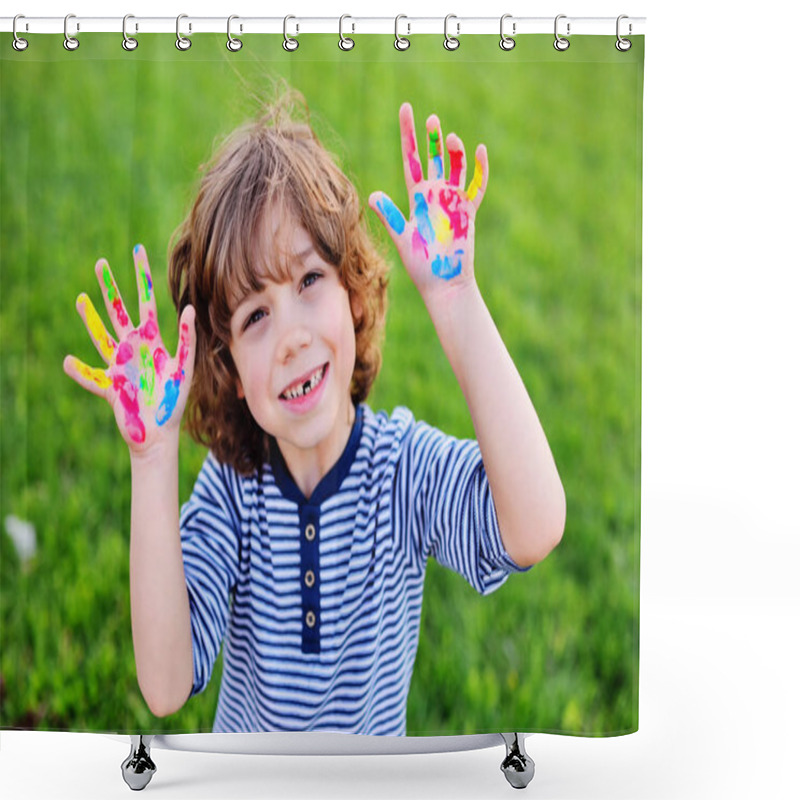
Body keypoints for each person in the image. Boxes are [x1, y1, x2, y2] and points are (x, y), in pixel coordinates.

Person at [63, 95, 565, 735]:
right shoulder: (231, 494)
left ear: (353, 292)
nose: (292, 337)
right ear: (233, 373)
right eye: (256, 316)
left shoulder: (402, 471)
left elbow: (535, 526)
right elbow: (164, 685)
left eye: (307, 282)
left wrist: (456, 296)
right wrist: (153, 458)